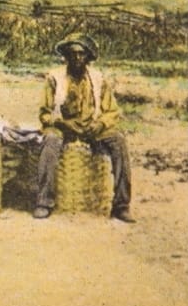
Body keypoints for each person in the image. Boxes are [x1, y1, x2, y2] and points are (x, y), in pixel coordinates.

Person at [33, 33, 135, 222]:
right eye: (73, 54)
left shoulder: (98, 79)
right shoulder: (54, 78)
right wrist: (60, 123)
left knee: (118, 140)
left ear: (88, 57)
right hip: (63, 126)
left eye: (81, 54)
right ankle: (43, 202)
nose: (77, 58)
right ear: (66, 56)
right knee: (50, 139)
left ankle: (121, 205)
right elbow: (44, 113)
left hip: (91, 126)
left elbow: (112, 111)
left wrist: (100, 124)